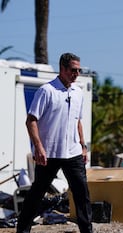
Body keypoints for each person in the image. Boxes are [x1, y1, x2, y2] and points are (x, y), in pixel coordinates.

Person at [16, 53, 93, 233]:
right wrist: (39, 147)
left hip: (73, 152)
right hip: (49, 153)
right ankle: (23, 229)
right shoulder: (47, 90)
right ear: (63, 69)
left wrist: (83, 146)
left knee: (82, 194)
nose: (77, 73)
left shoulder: (78, 92)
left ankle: (87, 231)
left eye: (79, 70)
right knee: (37, 194)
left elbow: (77, 121)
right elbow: (31, 120)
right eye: (73, 70)